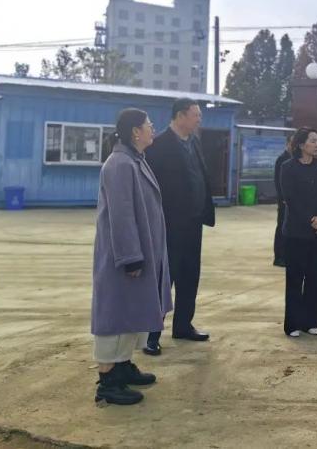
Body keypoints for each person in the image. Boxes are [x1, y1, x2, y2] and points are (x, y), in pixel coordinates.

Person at [92, 108, 172, 406]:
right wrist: (130, 257)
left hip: (140, 253)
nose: (153, 129)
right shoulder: (120, 164)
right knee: (115, 316)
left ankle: (122, 366)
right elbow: (121, 215)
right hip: (124, 257)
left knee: (131, 314)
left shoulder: (135, 160)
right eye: (149, 125)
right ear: (135, 131)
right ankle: (108, 382)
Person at [143, 98, 215, 355]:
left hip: (194, 222)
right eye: (196, 115)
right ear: (181, 116)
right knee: (165, 278)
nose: (199, 120)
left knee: (189, 275)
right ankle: (151, 334)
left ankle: (183, 325)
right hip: (169, 223)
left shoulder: (193, 142)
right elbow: (150, 186)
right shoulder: (158, 145)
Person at [279, 127, 317, 337]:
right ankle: (293, 324)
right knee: (295, 277)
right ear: (301, 144)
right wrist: (310, 219)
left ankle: (312, 321)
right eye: (312, 141)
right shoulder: (288, 167)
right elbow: (290, 198)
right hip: (296, 230)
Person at [273, 135, 293, 268]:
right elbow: (278, 181)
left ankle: (287, 255)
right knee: (282, 227)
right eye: (292, 143)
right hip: (284, 201)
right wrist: (283, 198)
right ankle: (279, 257)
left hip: (293, 201)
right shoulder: (282, 159)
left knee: (290, 229)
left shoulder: (294, 158)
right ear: (287, 143)